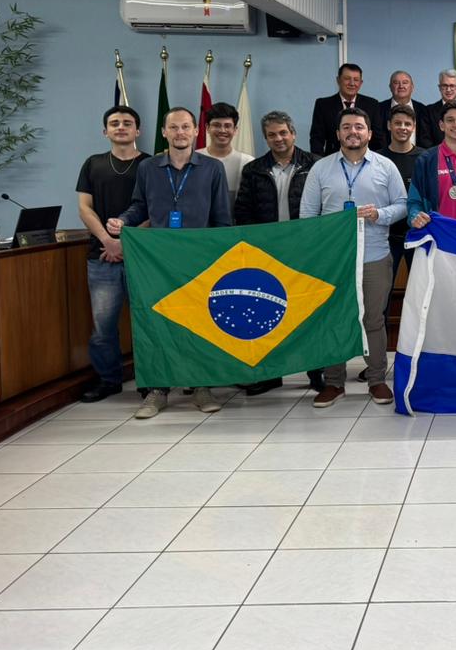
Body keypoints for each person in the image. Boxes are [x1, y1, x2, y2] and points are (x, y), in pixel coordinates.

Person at [107, 106, 232, 419]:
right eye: (173, 128)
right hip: (157, 261)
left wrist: (221, 259)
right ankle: (157, 391)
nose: (180, 133)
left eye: (186, 127)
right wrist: (123, 222)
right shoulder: (148, 168)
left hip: (200, 260)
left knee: (200, 323)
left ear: (194, 132)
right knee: (157, 323)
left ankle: (202, 387)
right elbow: (139, 207)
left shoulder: (213, 168)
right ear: (164, 132)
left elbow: (222, 218)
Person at [299, 108, 407, 407]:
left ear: (370, 133)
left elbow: (402, 205)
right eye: (346, 127)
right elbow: (308, 215)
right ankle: (334, 383)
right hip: (334, 260)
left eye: (359, 127)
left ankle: (376, 380)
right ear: (338, 134)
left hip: (374, 255)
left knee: (373, 319)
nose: (353, 132)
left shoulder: (385, 167)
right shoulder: (320, 169)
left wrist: (379, 214)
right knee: (335, 318)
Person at [233, 110, 321, 396]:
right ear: (266, 138)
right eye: (272, 135)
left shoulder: (315, 165)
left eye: (283, 132)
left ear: (293, 133)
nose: (278, 139)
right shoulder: (254, 169)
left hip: (305, 251)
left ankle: (316, 371)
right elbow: (243, 212)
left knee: (309, 313)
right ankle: (272, 374)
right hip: (267, 253)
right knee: (269, 313)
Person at [75, 105, 150, 402]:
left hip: (143, 257)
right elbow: (84, 208)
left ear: (138, 131)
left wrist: (126, 241)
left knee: (146, 321)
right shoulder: (93, 164)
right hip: (101, 257)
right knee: (103, 326)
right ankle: (109, 380)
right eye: (114, 123)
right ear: (105, 131)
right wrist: (108, 241)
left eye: (127, 123)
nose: (121, 127)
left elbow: (157, 209)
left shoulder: (151, 164)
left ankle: (151, 379)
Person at [377, 103, 424, 291]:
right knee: (383, 292)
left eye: (407, 124)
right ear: (389, 125)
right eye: (398, 123)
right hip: (386, 237)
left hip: (419, 235)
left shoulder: (425, 158)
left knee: (420, 291)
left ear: (413, 127)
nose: (403, 128)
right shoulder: (378, 159)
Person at [309, 63, 384, 155]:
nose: (352, 83)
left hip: (365, 160)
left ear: (361, 83)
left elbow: (378, 138)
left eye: (356, 80)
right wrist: (319, 163)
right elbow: (317, 139)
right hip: (333, 160)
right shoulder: (323, 105)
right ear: (338, 80)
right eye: (347, 79)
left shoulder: (372, 104)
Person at [198, 101, 254, 206]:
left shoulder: (248, 162)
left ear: (235, 130)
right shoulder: (194, 158)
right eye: (216, 125)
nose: (222, 130)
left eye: (228, 126)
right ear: (207, 128)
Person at [378, 70, 433, 145]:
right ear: (390, 87)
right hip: (385, 155)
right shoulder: (378, 109)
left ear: (412, 87)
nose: (401, 86)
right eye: (396, 83)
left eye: (405, 82)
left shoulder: (423, 110)